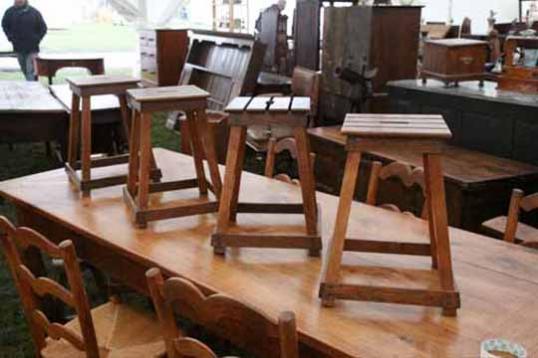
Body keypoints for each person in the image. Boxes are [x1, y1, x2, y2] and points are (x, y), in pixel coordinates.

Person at [2, 0, 47, 81]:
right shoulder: (9, 12)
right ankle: (33, 86)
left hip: (32, 48)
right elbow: (4, 25)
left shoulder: (34, 12)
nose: (18, 1)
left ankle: (31, 89)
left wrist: (37, 39)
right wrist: (10, 37)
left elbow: (43, 28)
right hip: (18, 48)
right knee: (25, 70)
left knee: (30, 71)